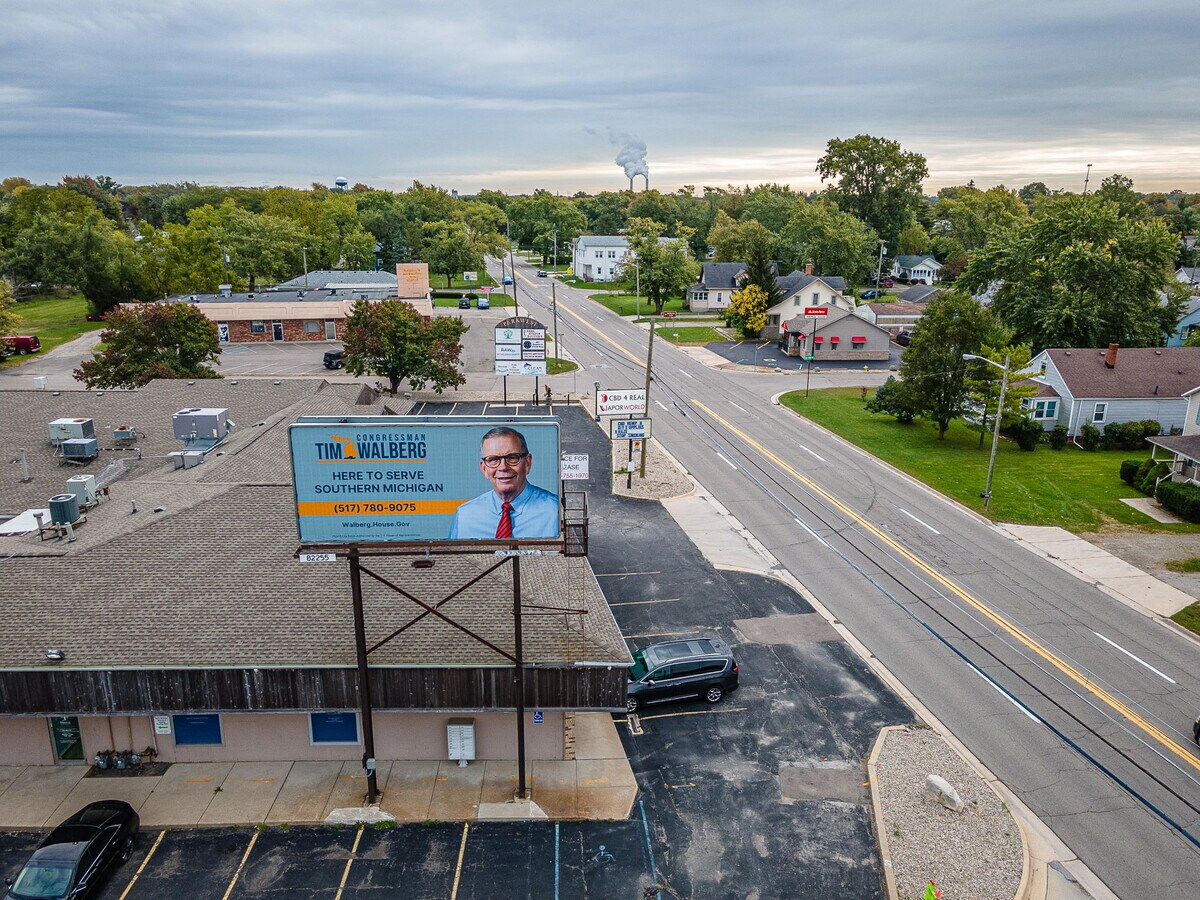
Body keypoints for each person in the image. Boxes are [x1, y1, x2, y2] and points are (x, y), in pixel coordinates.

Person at [449, 426, 560, 539]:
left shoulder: (555, 512)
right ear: (484, 469)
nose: (503, 467)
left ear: (527, 463)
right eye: (493, 459)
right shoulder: (465, 516)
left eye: (512, 457)